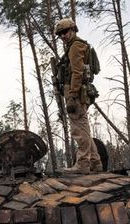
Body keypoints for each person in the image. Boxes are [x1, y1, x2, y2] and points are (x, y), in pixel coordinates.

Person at [55, 17, 102, 175]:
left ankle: (82, 164)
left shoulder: (75, 46)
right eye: (60, 34)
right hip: (77, 90)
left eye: (65, 31)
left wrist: (72, 96)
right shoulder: (76, 45)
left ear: (73, 30)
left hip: (75, 91)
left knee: (78, 129)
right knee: (83, 128)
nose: (62, 36)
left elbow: (77, 72)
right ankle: (95, 162)